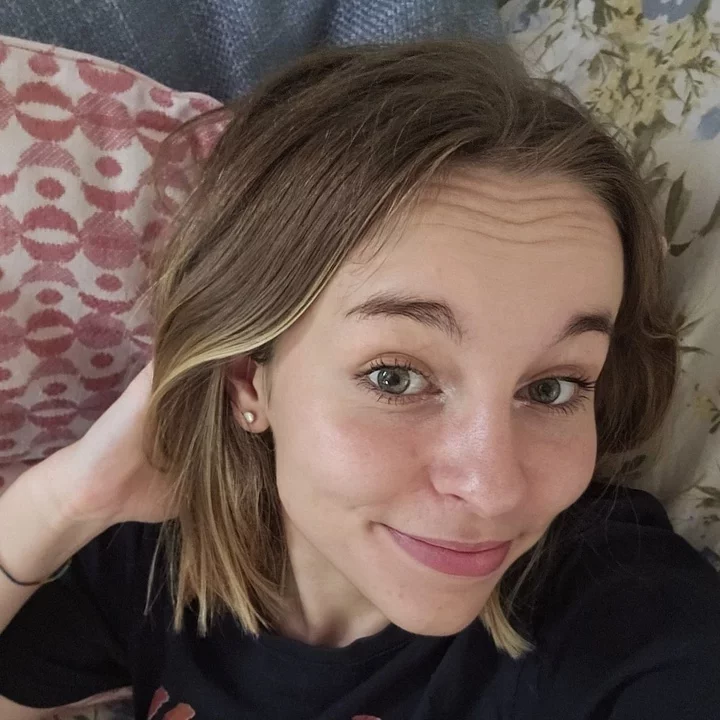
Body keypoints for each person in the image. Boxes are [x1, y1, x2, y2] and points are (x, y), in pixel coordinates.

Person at [0, 39, 719, 720]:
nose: (494, 487)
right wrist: (59, 505)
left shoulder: (629, 619)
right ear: (248, 379)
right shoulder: (156, 562)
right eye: (397, 377)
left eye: (553, 388)